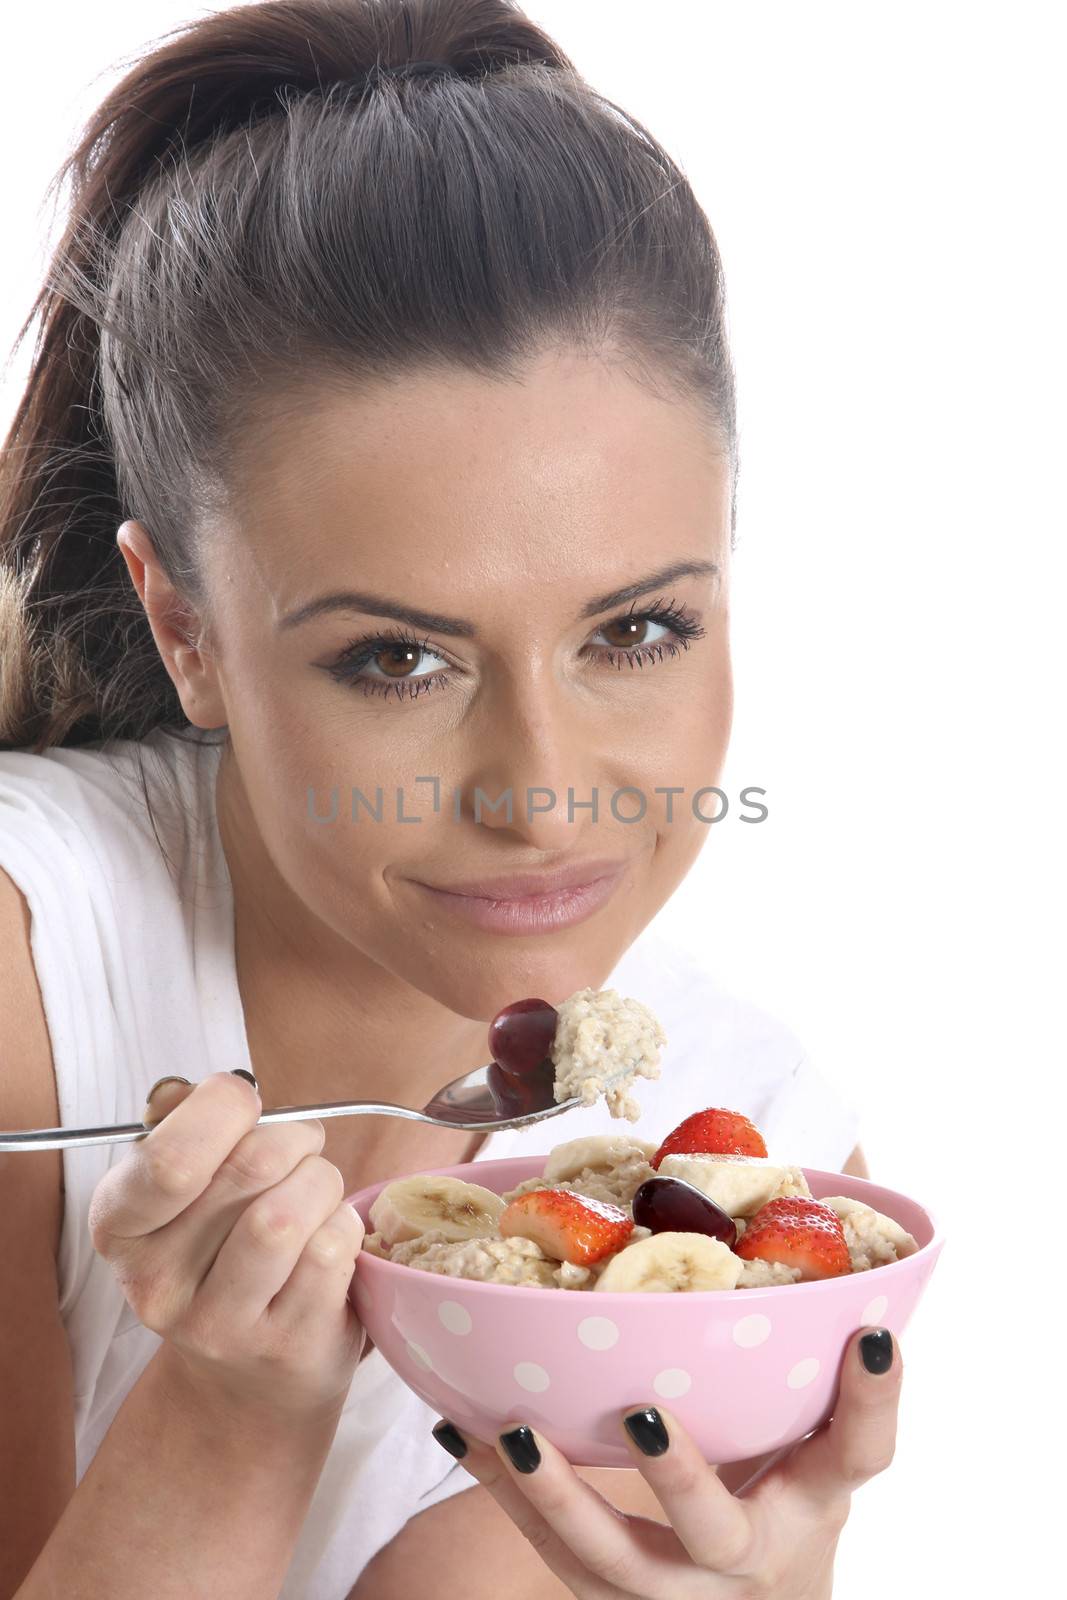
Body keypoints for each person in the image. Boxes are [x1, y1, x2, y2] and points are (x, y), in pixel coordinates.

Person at [0, 1, 902, 1595]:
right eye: (398, 661)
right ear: (186, 633)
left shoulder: (738, 1166)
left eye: (636, 631)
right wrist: (226, 1415)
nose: (546, 801)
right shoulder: (28, 970)